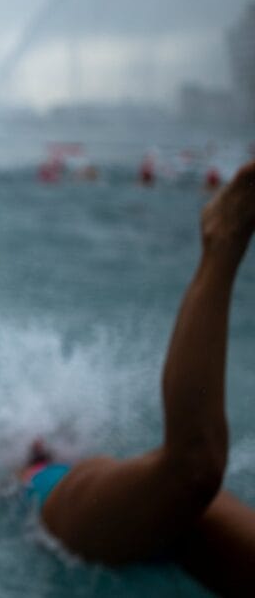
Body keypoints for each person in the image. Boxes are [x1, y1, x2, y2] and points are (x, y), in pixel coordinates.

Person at [26, 160, 255, 596]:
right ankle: (222, 243)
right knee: (195, 468)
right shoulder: (36, 486)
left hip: (87, 499)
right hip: (58, 498)